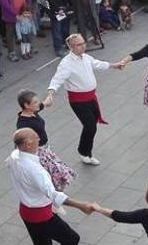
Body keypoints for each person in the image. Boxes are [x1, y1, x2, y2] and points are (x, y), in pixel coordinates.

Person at [7, 128, 97, 245]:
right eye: (35, 137)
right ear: (28, 144)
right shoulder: (35, 169)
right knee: (71, 239)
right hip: (41, 215)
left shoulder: (14, 157)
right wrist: (80, 205)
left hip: (26, 212)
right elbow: (53, 194)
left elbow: (8, 161)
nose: (39, 138)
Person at [44, 34, 126, 165]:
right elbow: (56, 80)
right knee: (90, 126)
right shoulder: (66, 64)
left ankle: (85, 150)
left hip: (90, 97)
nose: (83, 46)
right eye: (79, 44)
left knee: (91, 124)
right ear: (71, 47)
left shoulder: (86, 57)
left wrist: (113, 65)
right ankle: (84, 152)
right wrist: (50, 95)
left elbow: (97, 64)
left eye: (84, 43)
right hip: (78, 101)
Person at [17, 90, 75, 191]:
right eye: (35, 102)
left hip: (46, 149)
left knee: (59, 175)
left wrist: (48, 99)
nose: (37, 104)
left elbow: (42, 105)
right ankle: (55, 199)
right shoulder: (23, 123)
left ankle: (56, 198)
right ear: (26, 105)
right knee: (57, 175)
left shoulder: (32, 112)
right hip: (39, 152)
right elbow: (22, 140)